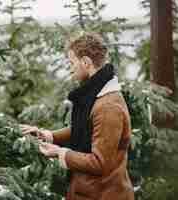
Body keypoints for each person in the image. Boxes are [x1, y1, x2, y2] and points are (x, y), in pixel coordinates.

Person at [20, 33, 134, 200]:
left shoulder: (108, 107)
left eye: (72, 63)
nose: (70, 68)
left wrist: (61, 153)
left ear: (86, 62)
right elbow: (86, 128)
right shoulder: (96, 94)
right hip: (88, 192)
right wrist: (48, 136)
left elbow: (99, 163)